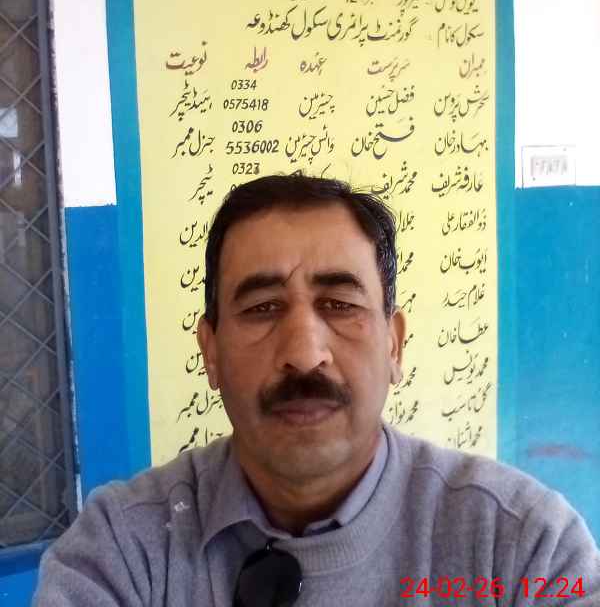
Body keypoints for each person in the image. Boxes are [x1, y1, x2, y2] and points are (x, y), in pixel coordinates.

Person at [34, 173, 600, 606]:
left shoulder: (525, 549)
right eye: (262, 308)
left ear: (394, 345)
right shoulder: (120, 552)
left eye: (339, 304)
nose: (305, 354)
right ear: (211, 351)